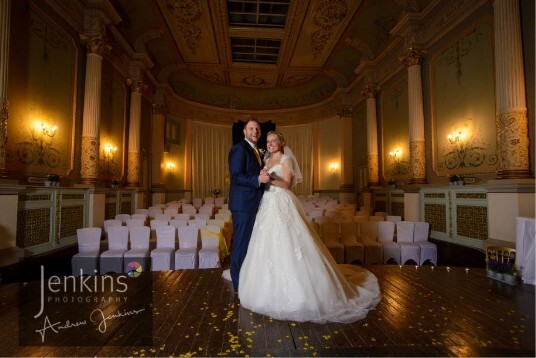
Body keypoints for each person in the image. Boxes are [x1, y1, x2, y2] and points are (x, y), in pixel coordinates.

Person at [224, 131, 381, 323]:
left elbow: (288, 184)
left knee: (289, 243)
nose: (271, 143)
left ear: (281, 143)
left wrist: (270, 180)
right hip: (267, 204)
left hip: (281, 202)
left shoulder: (286, 159)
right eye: (269, 141)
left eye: (274, 141)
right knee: (265, 243)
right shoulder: (265, 160)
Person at [227, 119, 271, 293]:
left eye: (258, 129)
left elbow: (249, 172)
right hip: (243, 205)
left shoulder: (255, 151)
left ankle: (246, 279)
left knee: (249, 244)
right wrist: (257, 179)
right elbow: (236, 176)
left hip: (252, 203)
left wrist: (259, 174)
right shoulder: (239, 148)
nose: (255, 131)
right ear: (244, 131)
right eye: (251, 128)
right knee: (241, 244)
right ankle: (238, 285)